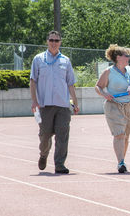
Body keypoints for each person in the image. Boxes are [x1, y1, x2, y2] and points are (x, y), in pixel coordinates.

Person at [30, 30, 79, 174]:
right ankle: (43, 154)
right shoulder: (38, 59)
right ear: (47, 41)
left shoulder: (66, 60)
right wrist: (34, 101)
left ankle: (59, 164)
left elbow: (70, 83)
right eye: (51, 40)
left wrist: (75, 102)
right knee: (44, 135)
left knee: (62, 135)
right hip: (44, 105)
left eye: (56, 40)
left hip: (63, 105)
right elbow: (33, 81)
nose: (54, 43)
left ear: (60, 43)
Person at [95, 44, 130, 173]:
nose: (128, 57)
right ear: (117, 57)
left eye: (128, 55)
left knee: (126, 135)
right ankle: (120, 162)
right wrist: (104, 94)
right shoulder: (109, 72)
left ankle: (122, 160)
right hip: (114, 106)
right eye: (125, 55)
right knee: (119, 134)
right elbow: (98, 86)